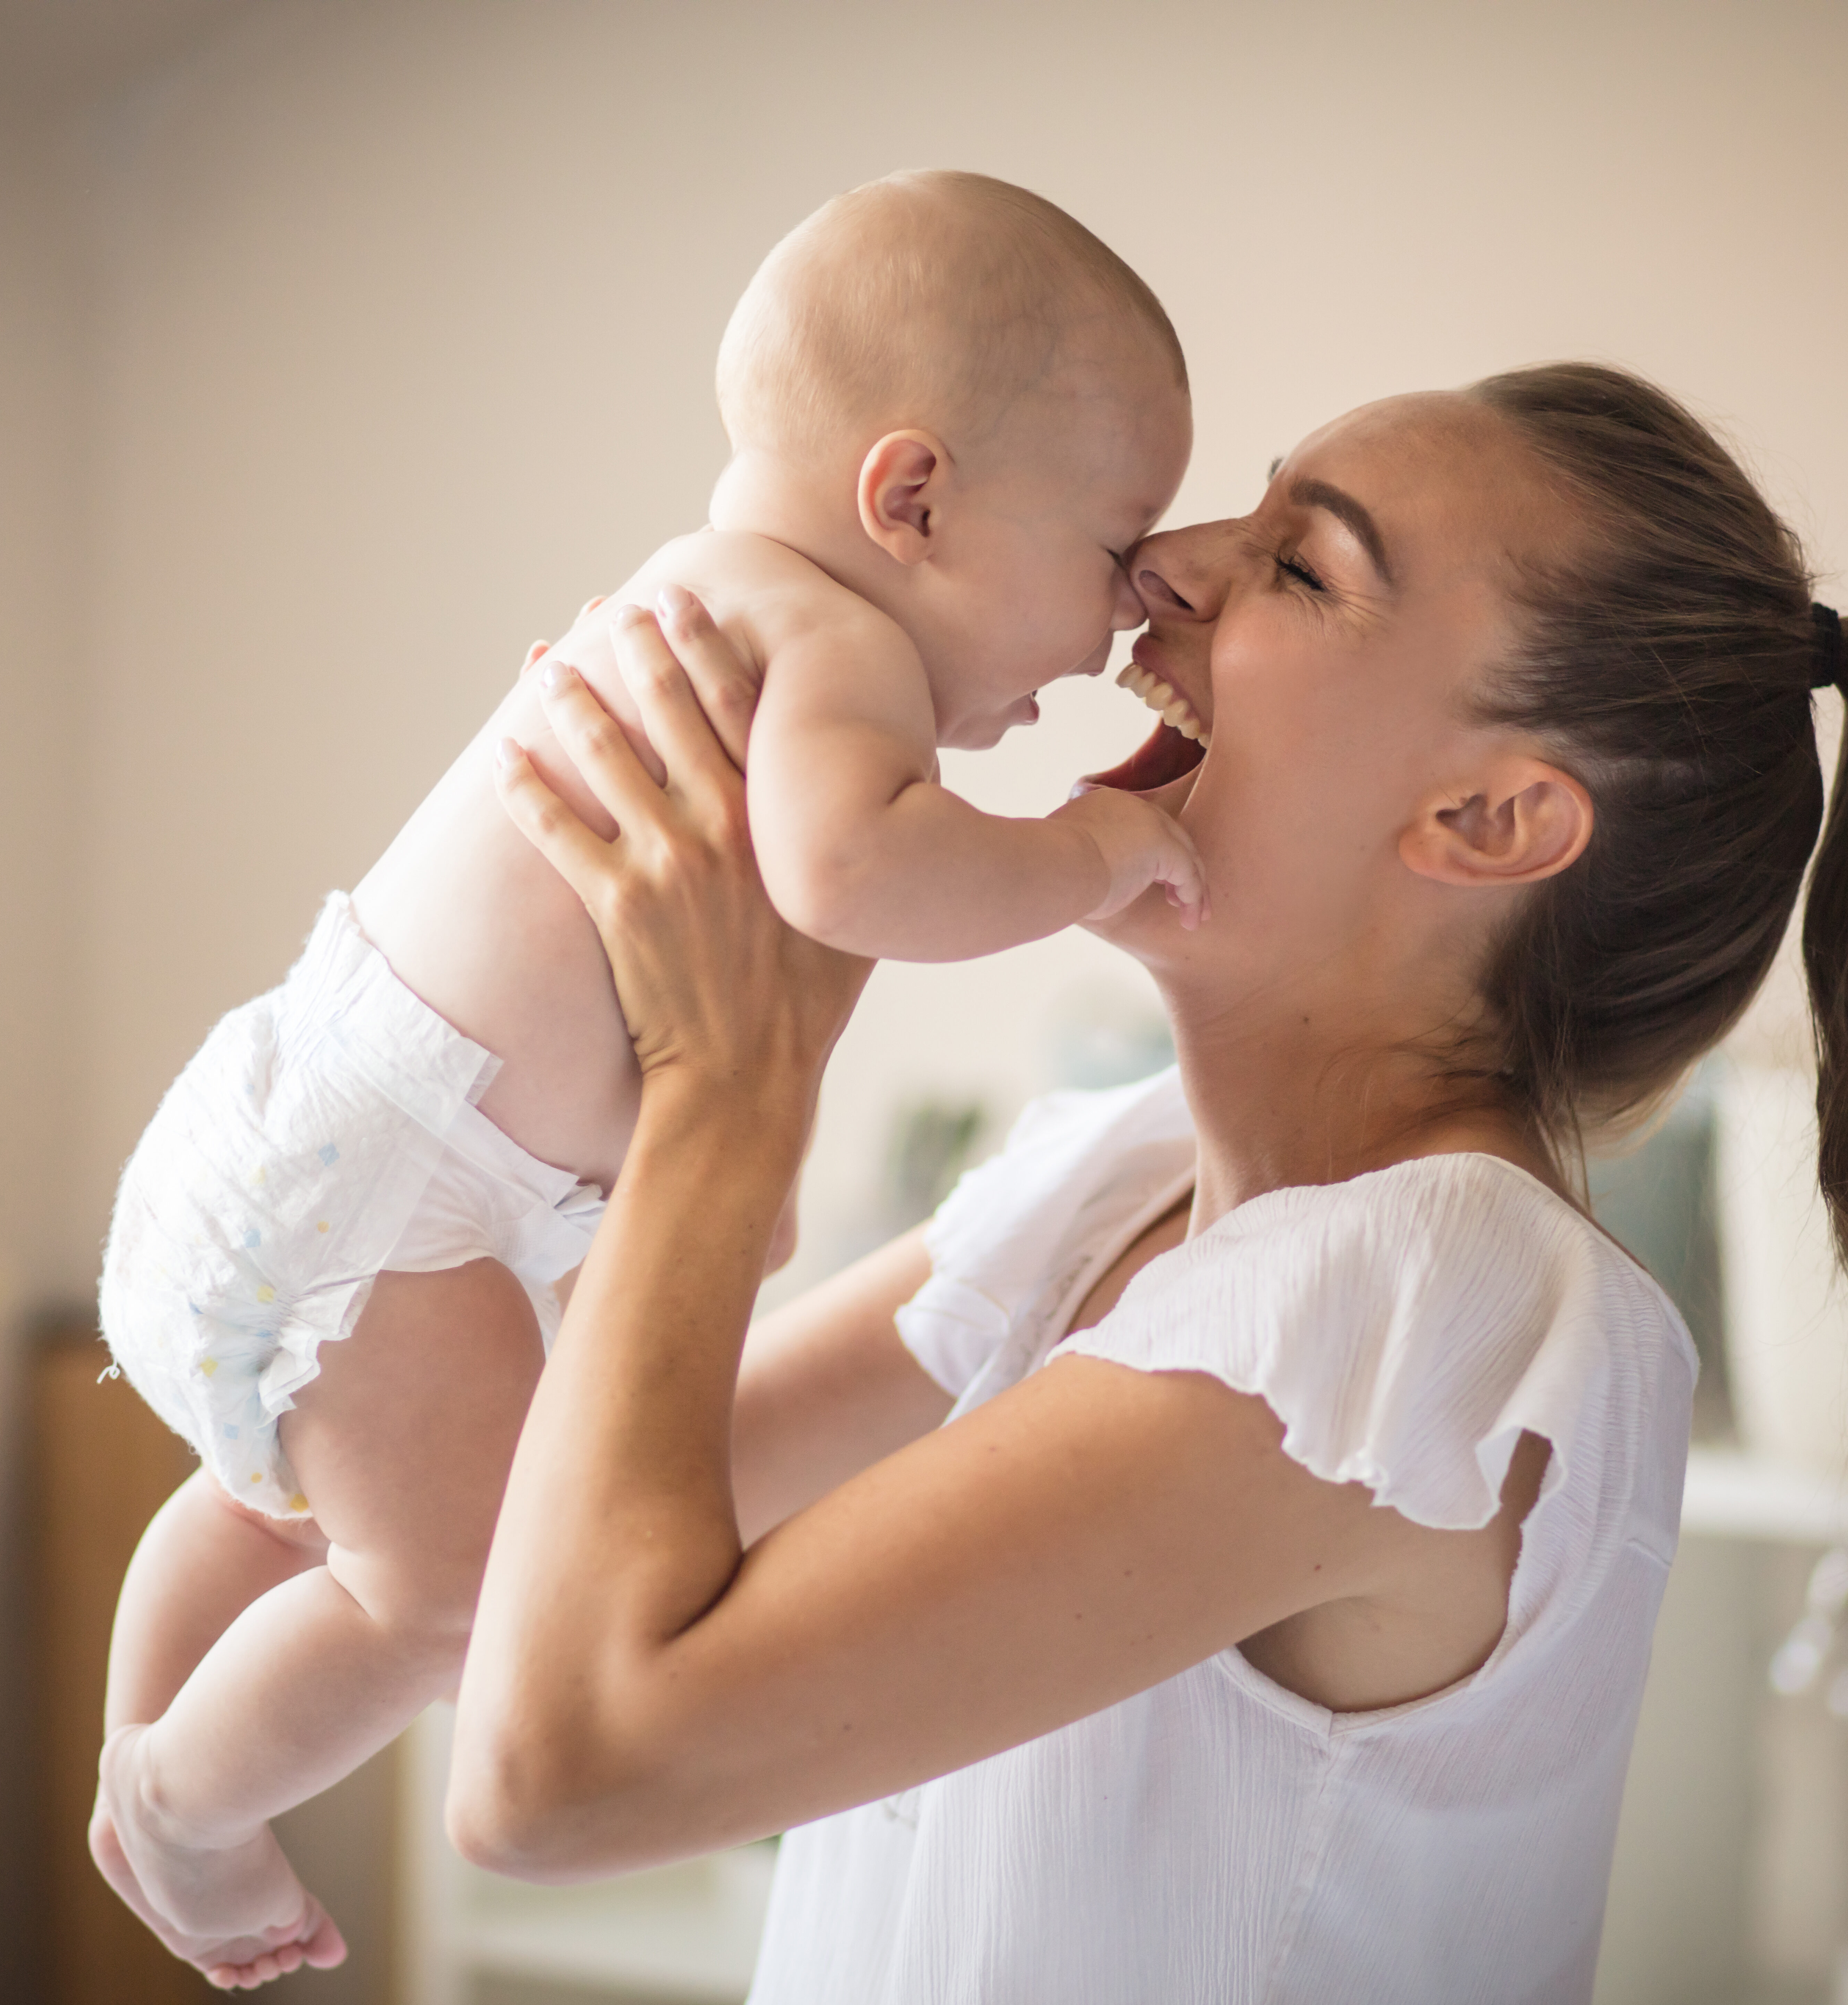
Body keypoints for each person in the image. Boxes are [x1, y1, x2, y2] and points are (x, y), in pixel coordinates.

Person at [451, 364, 1847, 2003]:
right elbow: (493, 1544)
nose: (1165, 563)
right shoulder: (1117, 1176)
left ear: (1485, 817)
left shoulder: (1429, 1305)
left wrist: (727, 1091)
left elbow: (559, 1773)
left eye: (1301, 565)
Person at [89, 170, 1198, 1987]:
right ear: (909, 497)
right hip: (398, 1190)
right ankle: (183, 1815)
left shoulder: (716, 601)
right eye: (1111, 547)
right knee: (459, 1604)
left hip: (326, 1137)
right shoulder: (831, 641)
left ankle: (144, 1752)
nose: (1116, 629)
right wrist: (1094, 851)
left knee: (276, 1506)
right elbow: (856, 876)